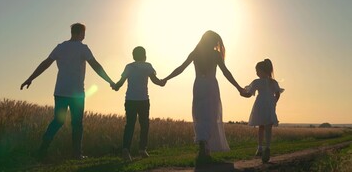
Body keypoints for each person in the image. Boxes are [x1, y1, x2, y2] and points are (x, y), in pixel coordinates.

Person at [20, 23, 115, 160]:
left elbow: (45, 63)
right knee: (77, 124)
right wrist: (110, 81)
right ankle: (76, 154)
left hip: (60, 91)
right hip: (77, 94)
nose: (84, 36)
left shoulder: (60, 47)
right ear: (81, 33)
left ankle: (42, 150)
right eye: (84, 33)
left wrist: (30, 78)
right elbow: (96, 65)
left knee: (57, 122)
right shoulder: (83, 48)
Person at [162, 30, 244, 159]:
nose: (216, 44)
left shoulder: (195, 53)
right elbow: (226, 73)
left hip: (199, 86)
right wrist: (239, 88)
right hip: (211, 86)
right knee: (211, 115)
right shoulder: (216, 55)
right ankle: (205, 146)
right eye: (215, 42)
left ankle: (203, 145)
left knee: (200, 115)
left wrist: (166, 78)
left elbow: (180, 68)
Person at [112, 46, 166, 161]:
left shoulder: (129, 67)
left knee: (129, 125)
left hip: (130, 100)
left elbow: (121, 82)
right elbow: (155, 80)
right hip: (143, 100)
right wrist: (162, 83)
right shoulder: (148, 66)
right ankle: (142, 149)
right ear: (144, 55)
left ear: (133, 56)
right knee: (144, 124)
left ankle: (126, 149)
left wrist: (115, 86)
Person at [241, 59, 283, 163]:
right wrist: (274, 102)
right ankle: (267, 147)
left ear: (262, 70)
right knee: (268, 127)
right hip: (269, 105)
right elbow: (277, 94)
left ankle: (260, 147)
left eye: (257, 70)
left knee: (261, 126)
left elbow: (249, 94)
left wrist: (241, 93)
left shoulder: (257, 82)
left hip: (260, 104)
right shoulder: (273, 82)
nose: (256, 73)